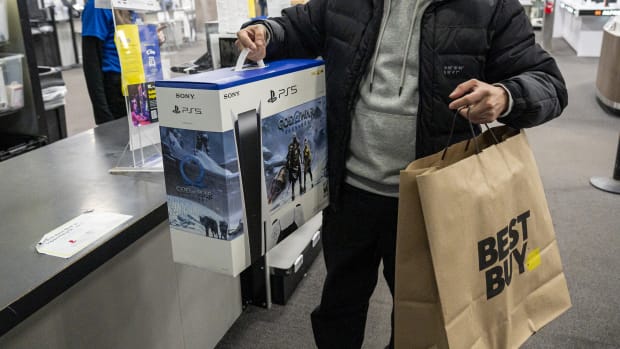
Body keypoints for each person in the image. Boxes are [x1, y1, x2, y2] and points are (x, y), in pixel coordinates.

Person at [236, 1, 568, 348]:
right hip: (349, 192)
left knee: (420, 318)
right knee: (339, 306)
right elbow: (297, 28)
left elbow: (550, 84)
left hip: (430, 201)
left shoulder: (489, 7)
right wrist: (267, 33)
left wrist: (506, 96)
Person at [81, 1, 135, 125]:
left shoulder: (129, 5)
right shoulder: (98, 5)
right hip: (114, 87)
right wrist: (103, 115)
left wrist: (152, 39)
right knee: (119, 140)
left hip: (134, 82)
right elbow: (91, 63)